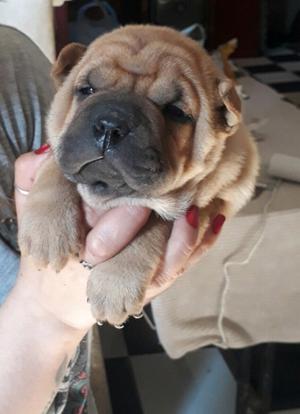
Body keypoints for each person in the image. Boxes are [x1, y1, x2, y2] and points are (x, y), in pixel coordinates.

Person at [0, 25, 224, 414]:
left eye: (172, 109)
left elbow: (54, 154)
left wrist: (154, 225)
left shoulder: (9, 58)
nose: (110, 126)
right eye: (89, 91)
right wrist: (48, 314)